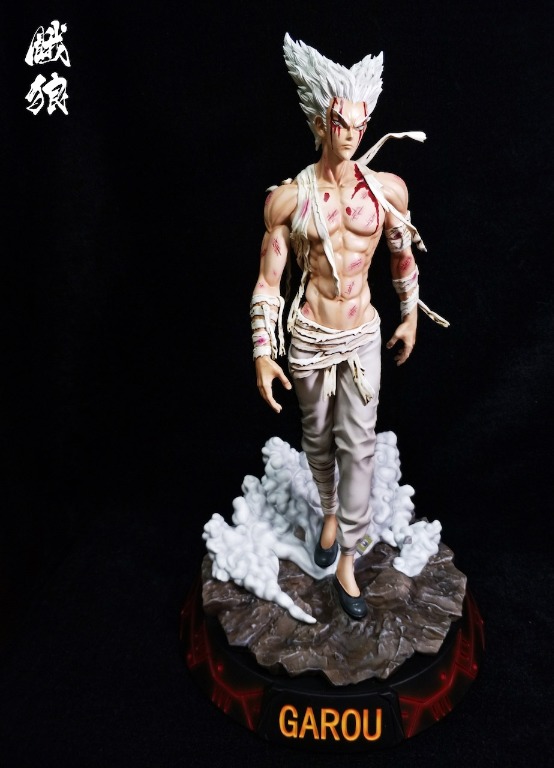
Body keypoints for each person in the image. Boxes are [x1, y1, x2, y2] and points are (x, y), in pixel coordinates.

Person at [250, 34, 448, 619]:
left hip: (361, 335)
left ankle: (348, 561)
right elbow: (269, 281)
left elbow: (401, 257)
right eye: (342, 123)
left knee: (358, 444)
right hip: (310, 336)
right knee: (317, 437)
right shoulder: (289, 201)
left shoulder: (386, 192)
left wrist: (410, 316)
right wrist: (263, 351)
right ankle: (330, 513)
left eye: (361, 123)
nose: (353, 133)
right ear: (320, 123)